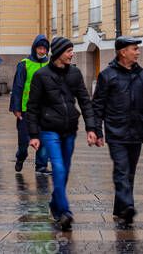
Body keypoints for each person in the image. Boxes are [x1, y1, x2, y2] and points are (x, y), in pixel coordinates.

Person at [91, 36, 143, 227]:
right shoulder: (107, 75)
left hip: (137, 130)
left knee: (129, 173)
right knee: (121, 170)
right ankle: (128, 206)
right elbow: (98, 105)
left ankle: (120, 210)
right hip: (116, 131)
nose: (138, 52)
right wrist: (96, 131)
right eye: (134, 49)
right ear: (122, 52)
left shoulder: (142, 75)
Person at [26, 37, 96, 232]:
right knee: (57, 167)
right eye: (69, 51)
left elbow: (84, 101)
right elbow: (32, 107)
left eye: (72, 50)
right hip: (49, 130)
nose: (72, 54)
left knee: (64, 170)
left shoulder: (75, 73)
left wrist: (92, 128)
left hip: (70, 130)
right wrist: (33, 134)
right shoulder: (41, 75)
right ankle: (65, 212)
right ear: (58, 53)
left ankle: (55, 205)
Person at [9, 35, 51, 174]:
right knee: (23, 141)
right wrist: (16, 108)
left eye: (44, 49)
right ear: (34, 48)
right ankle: (21, 157)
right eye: (39, 48)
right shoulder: (24, 64)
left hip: (44, 109)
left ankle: (41, 165)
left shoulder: (49, 64)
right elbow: (18, 87)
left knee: (44, 139)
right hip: (26, 109)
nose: (42, 51)